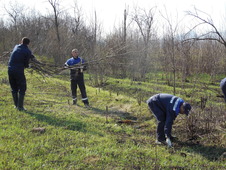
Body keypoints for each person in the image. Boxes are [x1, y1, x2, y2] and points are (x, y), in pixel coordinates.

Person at [8, 37, 38, 111]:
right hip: (18, 71)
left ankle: (16, 105)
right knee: (22, 88)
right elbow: (26, 64)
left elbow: (19, 53)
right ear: (28, 43)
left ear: (21, 41)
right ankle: (20, 107)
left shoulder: (16, 46)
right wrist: (30, 65)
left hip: (10, 69)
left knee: (14, 87)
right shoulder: (27, 51)